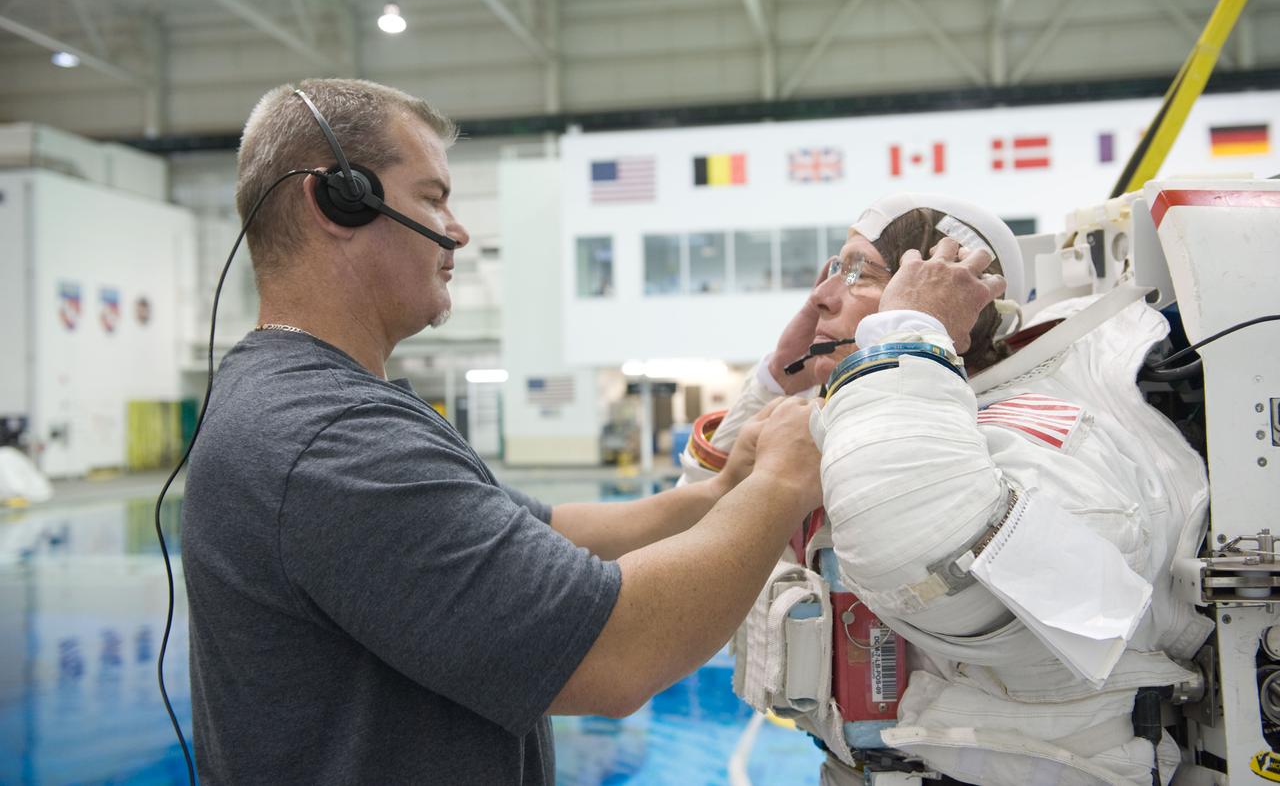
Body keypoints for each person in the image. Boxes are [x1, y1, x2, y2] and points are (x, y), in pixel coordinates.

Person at [181, 78, 824, 785]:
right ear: (339, 199)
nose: (456, 227)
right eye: (431, 197)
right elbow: (616, 655)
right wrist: (782, 485)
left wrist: (723, 488)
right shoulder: (331, 439)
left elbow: (553, 531)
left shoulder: (302, 397)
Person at [684, 193, 1210, 786]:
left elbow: (916, 544)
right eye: (834, 268)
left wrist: (909, 331)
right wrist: (772, 383)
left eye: (859, 272)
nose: (821, 296)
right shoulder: (873, 424)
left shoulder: (1042, 431)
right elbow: (694, 546)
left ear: (950, 300)